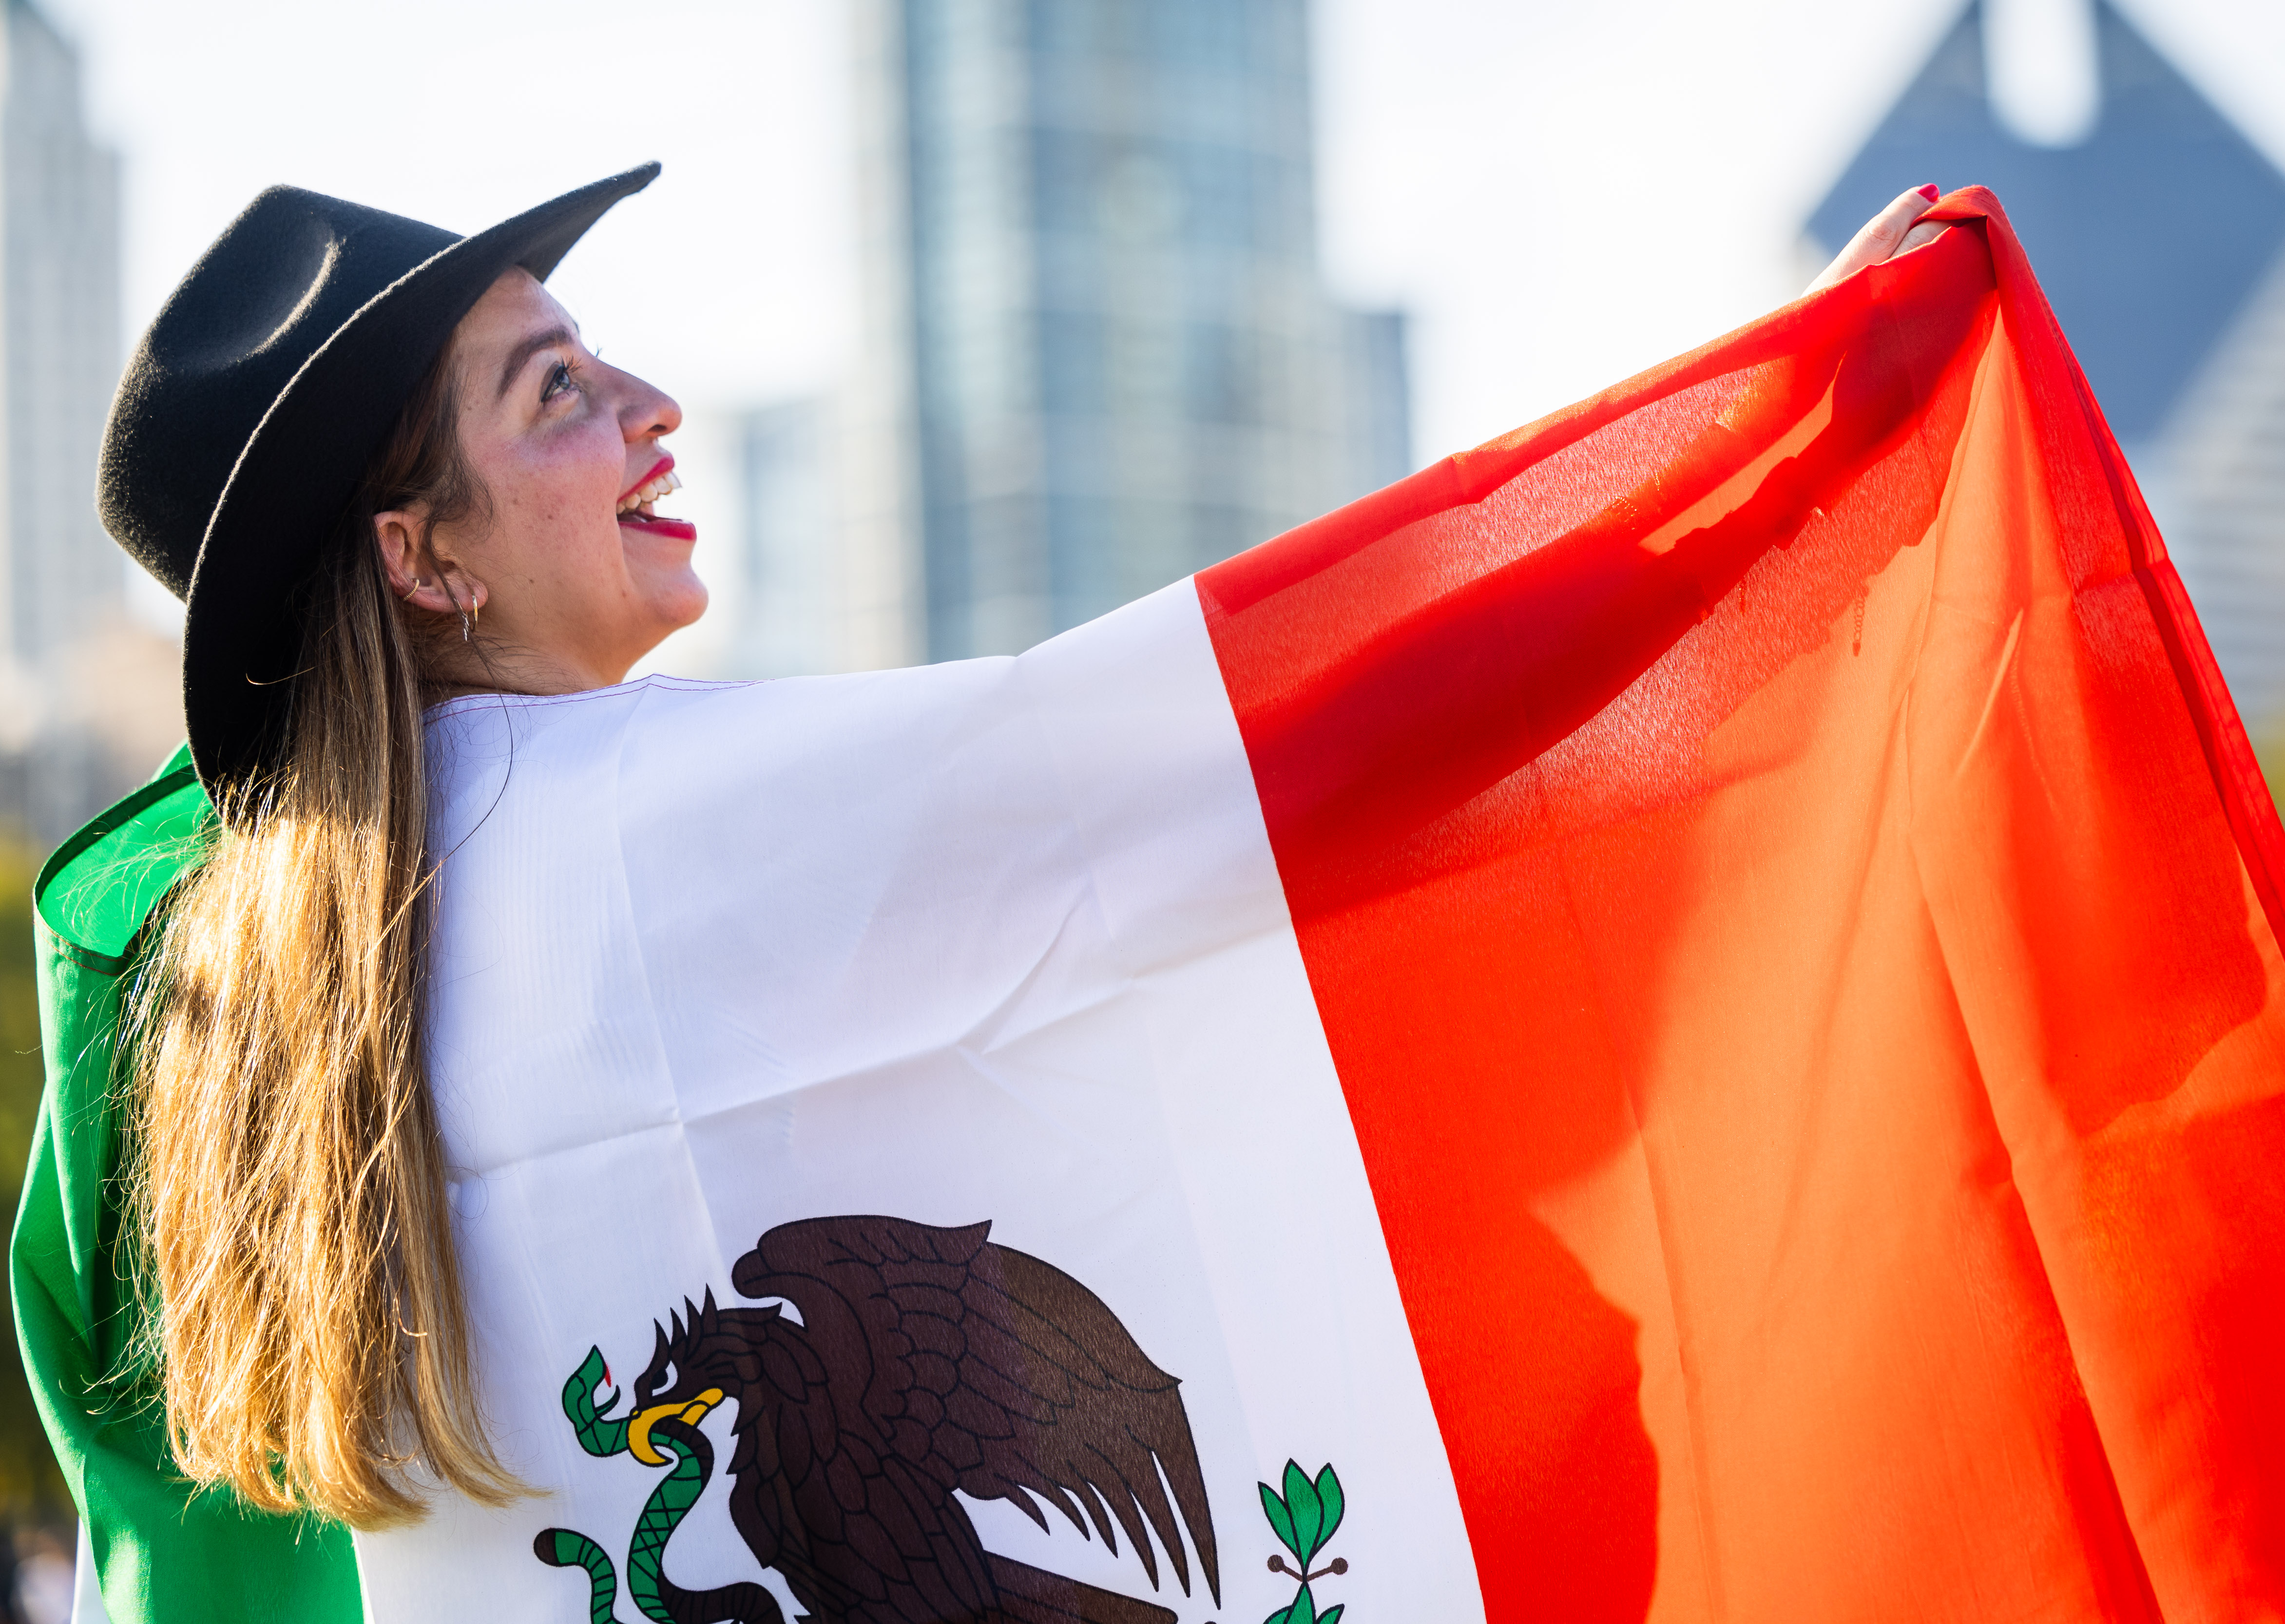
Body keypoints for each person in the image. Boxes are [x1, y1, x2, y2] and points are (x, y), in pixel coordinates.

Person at [11, 167, 1950, 1622]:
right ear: (422, 559)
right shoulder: (653, 813)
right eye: (557, 394)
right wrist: (1767, 449)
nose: (653, 406)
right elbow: (1236, 751)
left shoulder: (203, 987)